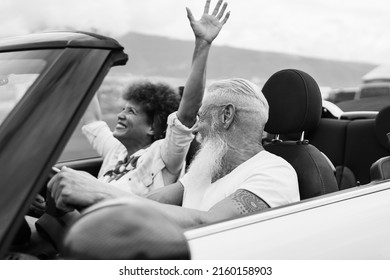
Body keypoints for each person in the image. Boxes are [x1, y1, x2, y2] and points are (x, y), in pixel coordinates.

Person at [48, 77, 300, 228]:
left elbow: (210, 223)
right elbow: (154, 202)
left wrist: (99, 191)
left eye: (201, 117)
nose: (195, 126)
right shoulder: (205, 170)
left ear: (227, 115)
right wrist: (89, 202)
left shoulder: (275, 173)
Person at [79, 0, 230, 196]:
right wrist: (85, 65)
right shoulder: (116, 150)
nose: (121, 115)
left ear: (152, 126)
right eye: (123, 109)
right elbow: (92, 120)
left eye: (131, 111)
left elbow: (187, 112)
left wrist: (202, 44)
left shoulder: (163, 154)